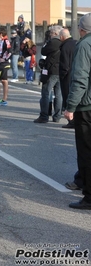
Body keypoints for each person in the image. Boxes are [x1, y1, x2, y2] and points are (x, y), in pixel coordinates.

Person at [64, 13, 91, 210]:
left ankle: (89, 197)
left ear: (82, 29)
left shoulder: (84, 45)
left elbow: (80, 78)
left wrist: (71, 106)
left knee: (86, 152)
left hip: (87, 106)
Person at [34, 25, 62, 123]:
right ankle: (57, 116)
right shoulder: (64, 42)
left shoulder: (53, 42)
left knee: (46, 93)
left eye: (51, 33)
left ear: (55, 33)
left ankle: (44, 116)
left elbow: (44, 51)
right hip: (61, 71)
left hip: (51, 71)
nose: (49, 35)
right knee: (59, 95)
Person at [59, 28, 76, 129]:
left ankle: (71, 121)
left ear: (62, 37)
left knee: (67, 96)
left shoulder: (65, 46)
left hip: (67, 75)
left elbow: (64, 64)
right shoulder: (76, 43)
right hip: (75, 73)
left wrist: (62, 75)